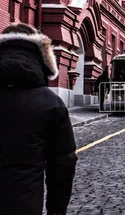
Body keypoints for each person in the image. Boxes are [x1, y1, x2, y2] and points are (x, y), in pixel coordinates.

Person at [0, 23, 77, 214]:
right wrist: (57, 211)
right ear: (41, 56)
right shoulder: (51, 103)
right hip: (23, 205)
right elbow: (62, 165)